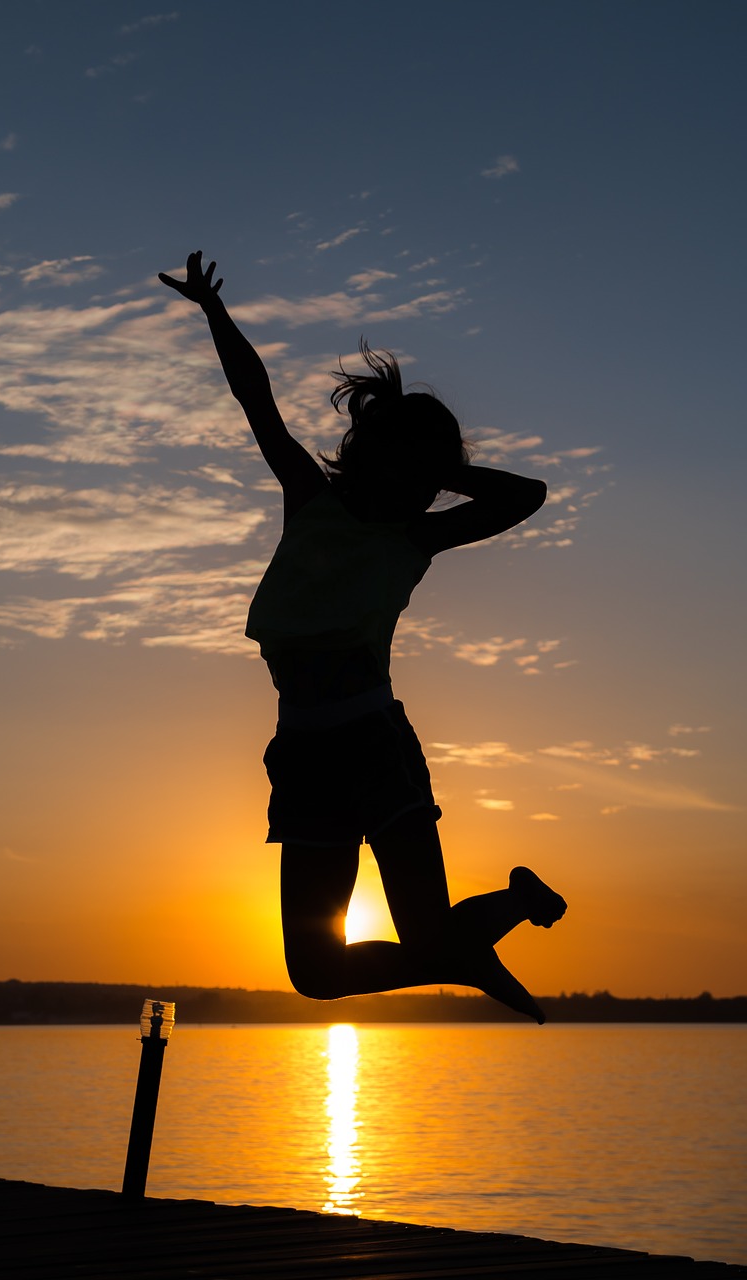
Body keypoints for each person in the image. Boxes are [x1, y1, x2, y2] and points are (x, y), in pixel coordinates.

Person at [160, 251, 567, 1022]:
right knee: (315, 972)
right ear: (376, 455)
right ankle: (475, 945)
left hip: (376, 746)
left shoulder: (417, 538)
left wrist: (441, 471)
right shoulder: (312, 499)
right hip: (304, 753)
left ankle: (484, 932)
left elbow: (529, 495)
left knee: (426, 929)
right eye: (411, 467)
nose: (421, 487)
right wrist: (213, 313)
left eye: (431, 475)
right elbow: (257, 400)